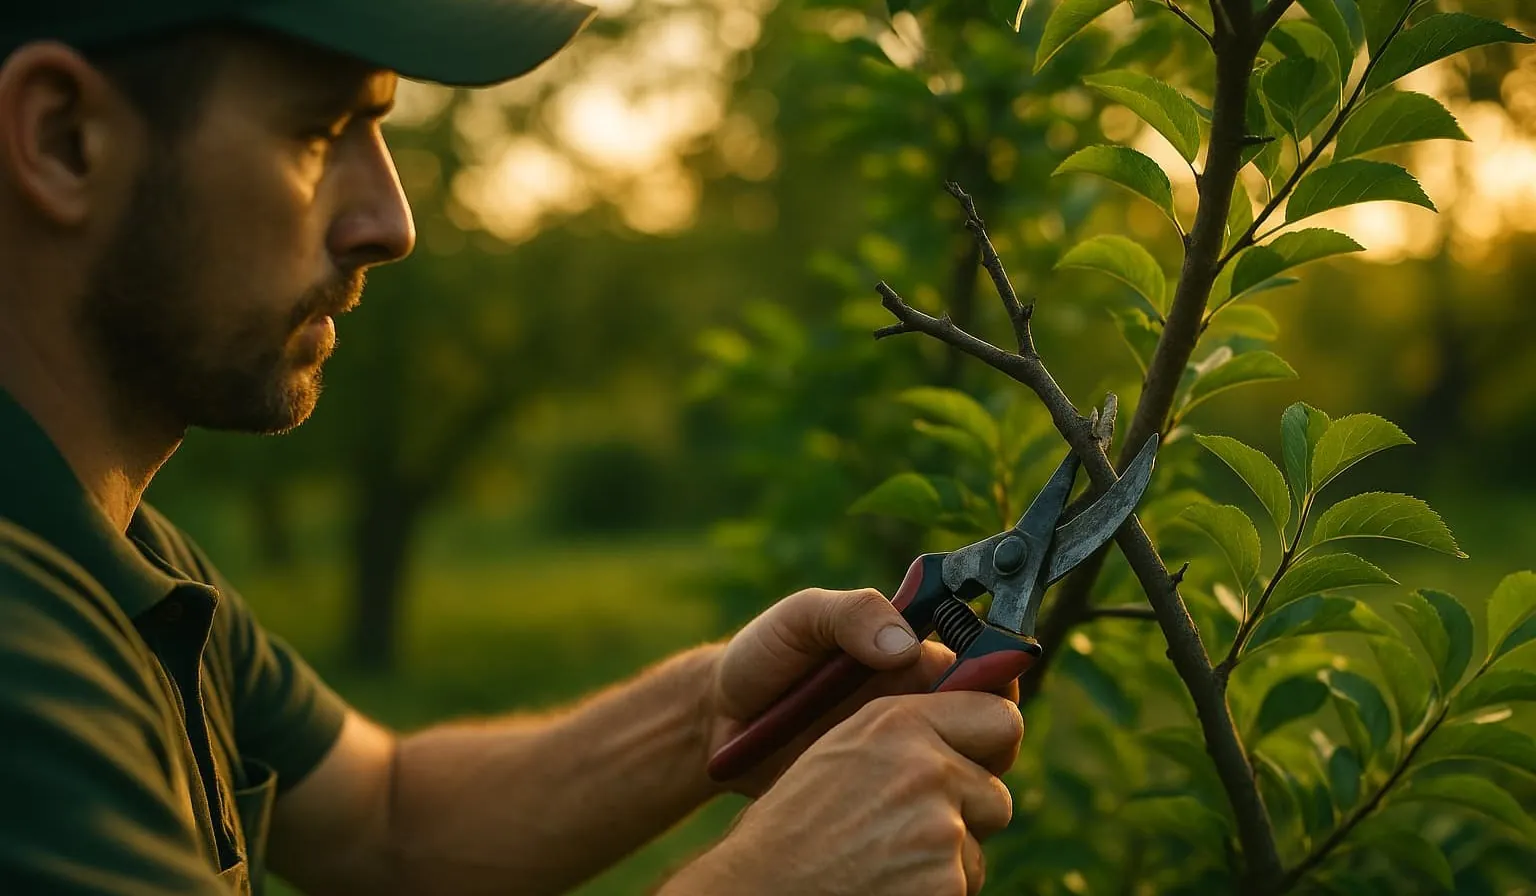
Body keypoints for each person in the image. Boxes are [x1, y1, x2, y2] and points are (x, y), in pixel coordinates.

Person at [0, 2, 1025, 894]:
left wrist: (706, 714)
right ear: (63, 139)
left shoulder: (120, 554)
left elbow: (388, 822)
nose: (390, 220)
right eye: (320, 130)